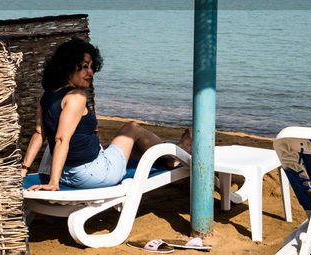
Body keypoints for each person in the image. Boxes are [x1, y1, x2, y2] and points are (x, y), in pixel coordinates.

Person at [20, 37, 190, 191]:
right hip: (91, 175)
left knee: (116, 146)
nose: (91, 73)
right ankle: (175, 155)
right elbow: (61, 139)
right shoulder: (76, 97)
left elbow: (39, 133)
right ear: (68, 67)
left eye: (92, 67)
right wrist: (54, 183)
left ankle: (169, 156)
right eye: (84, 67)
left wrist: (24, 169)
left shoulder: (46, 95)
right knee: (132, 128)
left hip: (67, 172)